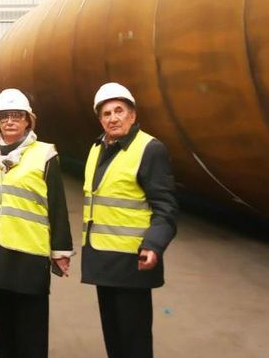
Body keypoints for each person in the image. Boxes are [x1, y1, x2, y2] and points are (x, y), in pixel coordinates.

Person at [0, 88, 73, 358]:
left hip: (29, 256)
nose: (10, 121)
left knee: (31, 333)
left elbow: (58, 206)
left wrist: (60, 251)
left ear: (28, 120)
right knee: (3, 330)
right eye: (4, 116)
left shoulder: (45, 154)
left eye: (17, 115)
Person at [81, 83, 179, 358]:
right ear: (100, 119)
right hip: (102, 260)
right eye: (106, 113)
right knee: (114, 338)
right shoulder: (97, 148)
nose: (113, 118)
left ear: (132, 115)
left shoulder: (150, 149)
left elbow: (166, 206)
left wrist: (154, 245)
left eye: (119, 111)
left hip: (132, 260)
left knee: (134, 341)